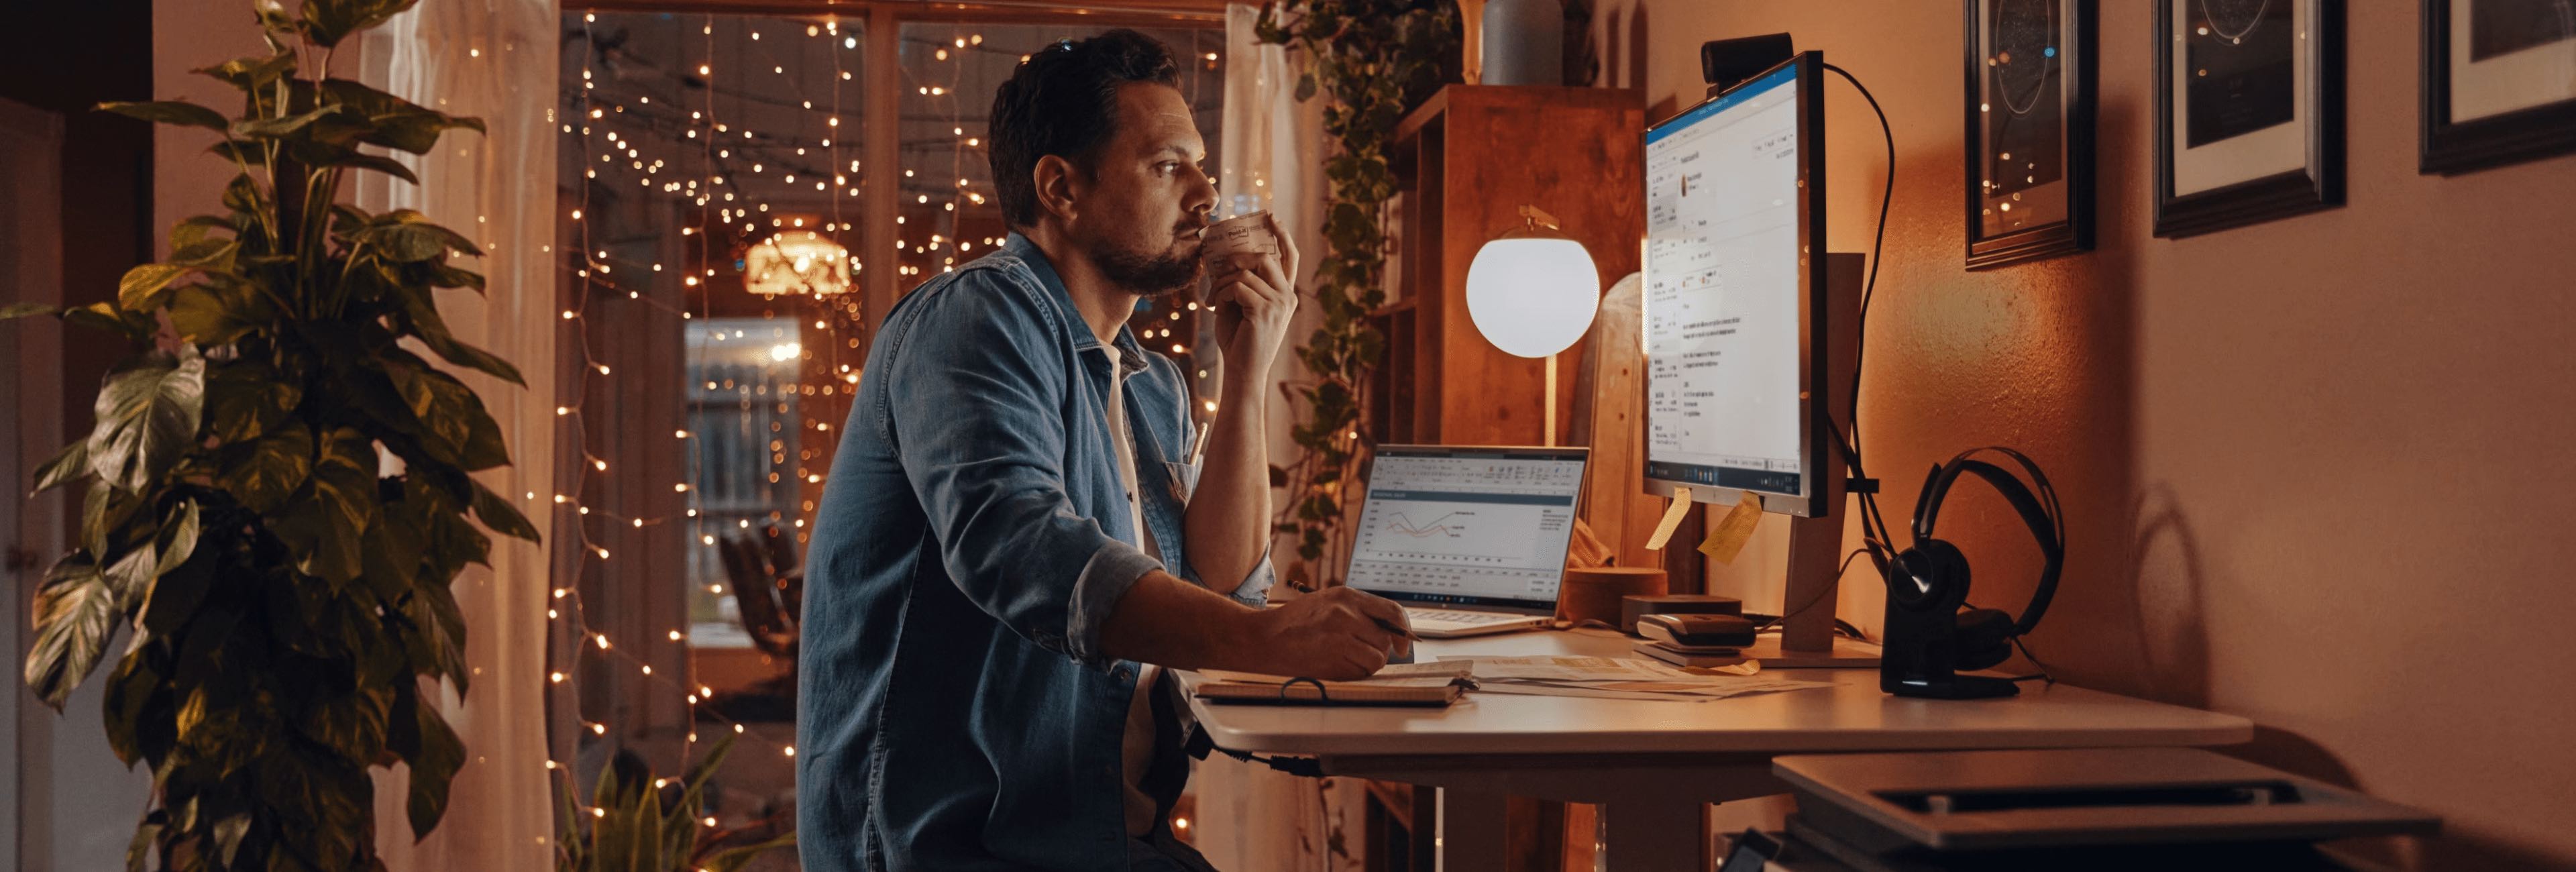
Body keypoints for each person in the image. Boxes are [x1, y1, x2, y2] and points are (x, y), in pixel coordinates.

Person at [796, 29, 1415, 871]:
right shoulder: (977, 319)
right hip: (958, 845)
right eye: (1169, 166)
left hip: (1094, 832)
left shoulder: (1146, 380)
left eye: (1201, 166)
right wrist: (1269, 640)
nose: (1207, 196)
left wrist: (1248, 369)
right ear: (1062, 187)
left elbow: (1219, 584)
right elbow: (1020, 548)